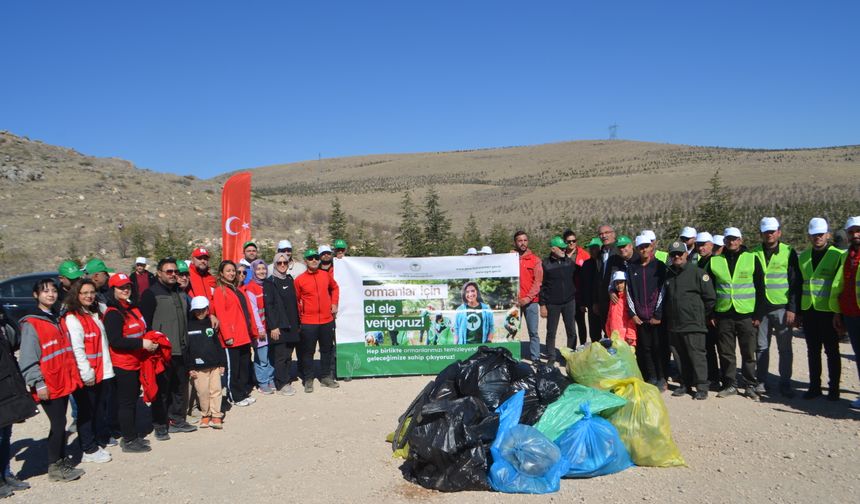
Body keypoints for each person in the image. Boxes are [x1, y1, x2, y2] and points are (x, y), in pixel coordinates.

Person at [17, 279, 85, 481]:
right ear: (36, 296)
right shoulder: (32, 322)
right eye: (45, 291)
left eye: (54, 291)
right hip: (48, 383)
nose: (51, 294)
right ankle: (55, 466)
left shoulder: (56, 317)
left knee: (61, 422)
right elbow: (28, 357)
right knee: (58, 424)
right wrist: (38, 382)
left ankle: (61, 460)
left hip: (62, 380)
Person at [706, 227, 765, 401]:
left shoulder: (752, 259)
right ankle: (730, 384)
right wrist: (711, 314)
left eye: (735, 239)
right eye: (728, 239)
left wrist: (758, 315)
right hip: (723, 314)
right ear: (724, 242)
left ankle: (749, 385)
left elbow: (761, 288)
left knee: (748, 352)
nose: (732, 242)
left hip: (746, 313)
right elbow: (709, 291)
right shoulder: (715, 261)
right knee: (726, 352)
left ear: (741, 240)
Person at [139, 258, 195, 434]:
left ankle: (177, 420)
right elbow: (145, 325)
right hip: (162, 352)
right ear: (159, 273)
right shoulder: (151, 294)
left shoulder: (181, 292)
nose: (173, 275)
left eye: (175, 272)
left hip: (182, 348)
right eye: (169, 271)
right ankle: (160, 424)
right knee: (162, 390)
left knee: (179, 388)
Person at [104, 273, 159, 452]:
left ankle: (133, 434)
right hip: (123, 364)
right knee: (126, 402)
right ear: (113, 290)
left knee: (132, 399)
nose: (125, 290)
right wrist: (141, 343)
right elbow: (116, 340)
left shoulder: (131, 308)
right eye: (121, 287)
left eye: (127, 286)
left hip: (136, 361)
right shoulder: (113, 313)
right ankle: (128, 439)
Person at [62, 279, 114, 464]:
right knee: (86, 411)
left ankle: (97, 440)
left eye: (91, 292)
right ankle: (88, 449)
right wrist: (86, 372)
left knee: (98, 409)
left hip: (102, 370)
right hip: (88, 373)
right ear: (76, 295)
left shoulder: (95, 312)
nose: (89, 296)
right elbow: (77, 348)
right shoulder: (73, 318)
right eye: (84, 293)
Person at [750, 217, 802, 398]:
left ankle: (785, 382)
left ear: (779, 232)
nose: (769, 234)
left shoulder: (789, 252)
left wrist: (793, 309)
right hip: (762, 309)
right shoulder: (754, 253)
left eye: (772, 231)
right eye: (766, 231)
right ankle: (762, 381)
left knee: (785, 348)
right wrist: (754, 312)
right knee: (761, 347)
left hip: (782, 308)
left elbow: (795, 283)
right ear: (761, 234)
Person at [663, 241, 717, 400]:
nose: (677, 256)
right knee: (679, 356)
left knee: (697, 355)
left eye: (680, 253)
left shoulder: (698, 273)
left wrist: (699, 315)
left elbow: (710, 299)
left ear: (686, 254)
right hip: (674, 325)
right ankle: (685, 384)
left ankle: (701, 386)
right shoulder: (669, 275)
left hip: (694, 324)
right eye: (673, 254)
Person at [798, 218, 844, 401]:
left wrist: (839, 312)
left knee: (832, 351)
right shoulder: (803, 256)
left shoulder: (838, 255)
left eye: (820, 234)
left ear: (828, 235)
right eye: (814, 235)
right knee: (812, 350)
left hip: (829, 311)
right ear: (809, 236)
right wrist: (798, 312)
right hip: (809, 310)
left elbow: (840, 285)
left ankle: (834, 389)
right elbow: (798, 284)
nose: (817, 238)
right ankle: (814, 386)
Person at [210, 261, 256, 407]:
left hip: (243, 335)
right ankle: (233, 396)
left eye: (233, 271)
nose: (231, 273)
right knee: (233, 369)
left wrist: (252, 331)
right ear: (221, 273)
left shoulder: (237, 289)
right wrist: (227, 335)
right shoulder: (220, 290)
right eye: (228, 271)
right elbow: (221, 314)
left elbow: (247, 312)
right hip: (232, 337)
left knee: (243, 367)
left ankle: (242, 393)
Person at [0, 315, 37, 497]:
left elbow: (16, 341)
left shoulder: (3, 321)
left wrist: (5, 317)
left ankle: (6, 474)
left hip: (8, 384)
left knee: (6, 434)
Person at [294, 249, 340, 392]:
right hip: (309, 322)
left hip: (326, 320)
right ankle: (308, 379)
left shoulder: (325, 275)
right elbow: (296, 300)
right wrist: (301, 317)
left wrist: (334, 303)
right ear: (305, 261)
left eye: (315, 258)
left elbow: (335, 288)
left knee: (326, 350)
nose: (313, 260)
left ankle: (326, 377)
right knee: (308, 352)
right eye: (310, 258)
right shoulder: (299, 280)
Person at [626, 235, 668, 389]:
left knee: (659, 347)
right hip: (640, 317)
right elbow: (628, 291)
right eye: (641, 247)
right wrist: (633, 314)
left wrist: (658, 314)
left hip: (655, 317)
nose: (644, 250)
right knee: (646, 348)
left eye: (646, 246)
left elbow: (663, 290)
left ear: (652, 247)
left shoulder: (659, 266)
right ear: (637, 249)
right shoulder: (632, 268)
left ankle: (662, 377)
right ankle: (651, 377)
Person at [263, 253, 301, 396]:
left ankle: (286, 377)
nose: (283, 265)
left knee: (288, 355)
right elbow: (269, 306)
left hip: (292, 324)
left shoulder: (290, 280)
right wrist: (273, 326)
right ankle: (281, 383)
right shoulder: (270, 282)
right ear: (274, 264)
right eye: (279, 263)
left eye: (285, 262)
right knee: (280, 356)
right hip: (279, 326)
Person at [185, 296, 225, 429]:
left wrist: (222, 363)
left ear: (207, 309)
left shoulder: (211, 324)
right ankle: (205, 414)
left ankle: (216, 415)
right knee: (202, 392)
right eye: (197, 310)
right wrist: (190, 367)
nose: (200, 313)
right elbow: (187, 349)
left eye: (203, 310)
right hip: (198, 368)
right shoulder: (189, 326)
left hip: (214, 365)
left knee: (216, 390)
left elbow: (218, 345)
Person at [833, 216, 860, 409]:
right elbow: (839, 285)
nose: (855, 235)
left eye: (858, 231)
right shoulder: (845, 256)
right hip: (851, 313)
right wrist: (837, 312)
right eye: (851, 232)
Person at [539, 236, 577, 363]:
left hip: (569, 301)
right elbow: (542, 286)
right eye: (561, 248)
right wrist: (542, 305)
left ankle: (569, 355)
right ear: (553, 249)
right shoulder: (545, 264)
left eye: (564, 248)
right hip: (552, 303)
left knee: (571, 330)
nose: (564, 250)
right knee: (551, 331)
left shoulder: (569, 262)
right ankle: (551, 357)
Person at [243, 259, 273, 394]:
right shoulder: (251, 287)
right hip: (260, 328)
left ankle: (270, 377)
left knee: (270, 354)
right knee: (261, 357)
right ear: (253, 271)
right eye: (258, 269)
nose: (262, 271)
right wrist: (259, 328)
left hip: (270, 326)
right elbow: (253, 310)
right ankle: (262, 381)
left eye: (264, 268)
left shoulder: (267, 284)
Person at [694, 231, 719, 388]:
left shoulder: (714, 262)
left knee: (712, 346)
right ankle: (709, 376)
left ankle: (715, 378)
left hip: (711, 312)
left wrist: (712, 313)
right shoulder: (700, 262)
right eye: (698, 245)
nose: (701, 248)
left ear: (711, 245)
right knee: (705, 346)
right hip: (702, 312)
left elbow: (715, 290)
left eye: (704, 245)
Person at [514, 231, 543, 361]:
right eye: (520, 241)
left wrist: (527, 298)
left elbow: (538, 282)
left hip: (531, 302)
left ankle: (535, 358)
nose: (523, 243)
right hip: (514, 303)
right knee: (512, 332)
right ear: (515, 242)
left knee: (533, 332)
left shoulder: (535, 260)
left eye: (525, 240)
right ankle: (513, 357)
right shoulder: (510, 258)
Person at [563, 229, 590, 346]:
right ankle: (571, 348)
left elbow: (588, 278)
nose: (571, 243)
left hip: (579, 295)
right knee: (569, 324)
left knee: (581, 322)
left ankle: (583, 346)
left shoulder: (584, 255)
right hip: (565, 295)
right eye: (569, 241)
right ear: (565, 242)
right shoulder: (560, 255)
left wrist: (585, 298)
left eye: (574, 241)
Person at [592, 225, 619, 338]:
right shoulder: (600, 254)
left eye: (607, 232)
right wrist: (595, 301)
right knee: (606, 329)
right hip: (602, 299)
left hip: (616, 298)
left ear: (613, 234)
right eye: (601, 234)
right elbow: (596, 279)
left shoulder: (619, 251)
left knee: (617, 330)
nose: (604, 236)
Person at [579, 237, 603, 343]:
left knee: (609, 332)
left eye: (595, 248)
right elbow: (582, 285)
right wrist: (582, 303)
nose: (592, 251)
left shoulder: (605, 262)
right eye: (591, 249)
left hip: (605, 303)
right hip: (591, 304)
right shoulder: (586, 264)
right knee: (594, 333)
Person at [606, 271, 637, 346]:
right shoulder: (614, 299)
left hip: (626, 338)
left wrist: (631, 335)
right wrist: (608, 330)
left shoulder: (628, 299)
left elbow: (632, 318)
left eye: (621, 282)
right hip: (614, 336)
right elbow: (610, 316)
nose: (619, 285)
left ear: (626, 283)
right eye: (617, 283)